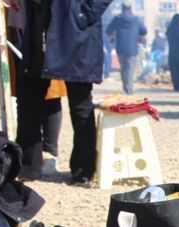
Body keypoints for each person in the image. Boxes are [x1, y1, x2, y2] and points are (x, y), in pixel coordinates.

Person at [15, 0, 113, 186]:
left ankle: (83, 169)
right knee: (28, 99)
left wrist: (85, 13)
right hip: (39, 25)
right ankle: (28, 166)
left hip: (74, 28)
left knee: (80, 104)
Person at [106, 1, 148, 95]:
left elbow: (108, 30)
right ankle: (129, 88)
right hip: (132, 48)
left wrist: (112, 36)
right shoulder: (136, 19)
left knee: (123, 68)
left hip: (120, 47)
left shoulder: (117, 19)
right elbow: (144, 31)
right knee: (130, 68)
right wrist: (139, 35)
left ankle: (126, 86)